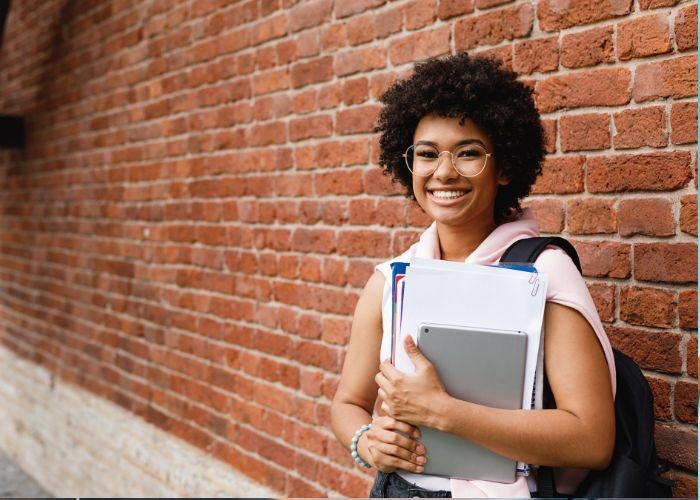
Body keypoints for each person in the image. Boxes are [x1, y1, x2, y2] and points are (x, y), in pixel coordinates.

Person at [330, 52, 616, 498]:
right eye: (427, 154)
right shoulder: (390, 281)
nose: (444, 172)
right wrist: (366, 442)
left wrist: (445, 412)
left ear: (504, 168)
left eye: (468, 154)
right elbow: (348, 403)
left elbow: (592, 439)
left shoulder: (542, 273)